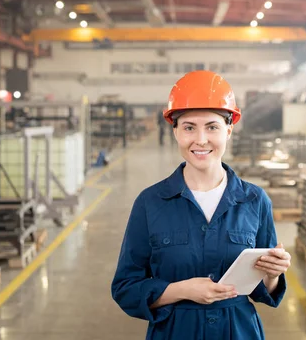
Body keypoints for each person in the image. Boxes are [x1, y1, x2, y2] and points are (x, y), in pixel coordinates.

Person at [111, 70, 291, 339]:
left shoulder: (255, 200)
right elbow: (126, 288)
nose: (201, 140)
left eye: (212, 127)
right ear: (174, 131)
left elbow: (263, 289)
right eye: (189, 127)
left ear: (229, 130)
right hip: (176, 331)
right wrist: (182, 290)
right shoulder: (150, 203)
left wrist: (273, 274)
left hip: (238, 331)